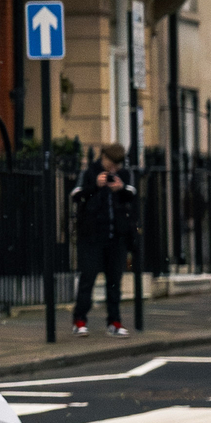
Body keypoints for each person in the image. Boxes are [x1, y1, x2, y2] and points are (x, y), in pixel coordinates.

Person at [69, 142, 138, 337]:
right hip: (91, 236)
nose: (113, 169)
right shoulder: (89, 172)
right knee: (87, 279)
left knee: (114, 282)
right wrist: (95, 187)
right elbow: (76, 196)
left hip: (116, 236)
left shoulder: (124, 175)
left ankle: (114, 322)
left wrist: (121, 189)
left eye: (117, 165)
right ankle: (80, 320)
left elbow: (132, 196)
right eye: (111, 164)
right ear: (103, 158)